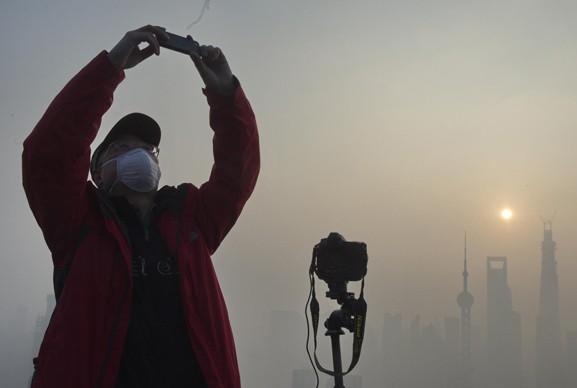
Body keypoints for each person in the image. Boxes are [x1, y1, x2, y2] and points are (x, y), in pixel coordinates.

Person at [22, 25, 260, 388]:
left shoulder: (193, 218)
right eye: (121, 148)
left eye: (147, 150)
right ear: (98, 173)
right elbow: (48, 155)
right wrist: (111, 67)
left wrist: (225, 93)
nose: (138, 155)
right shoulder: (77, 222)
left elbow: (237, 172)